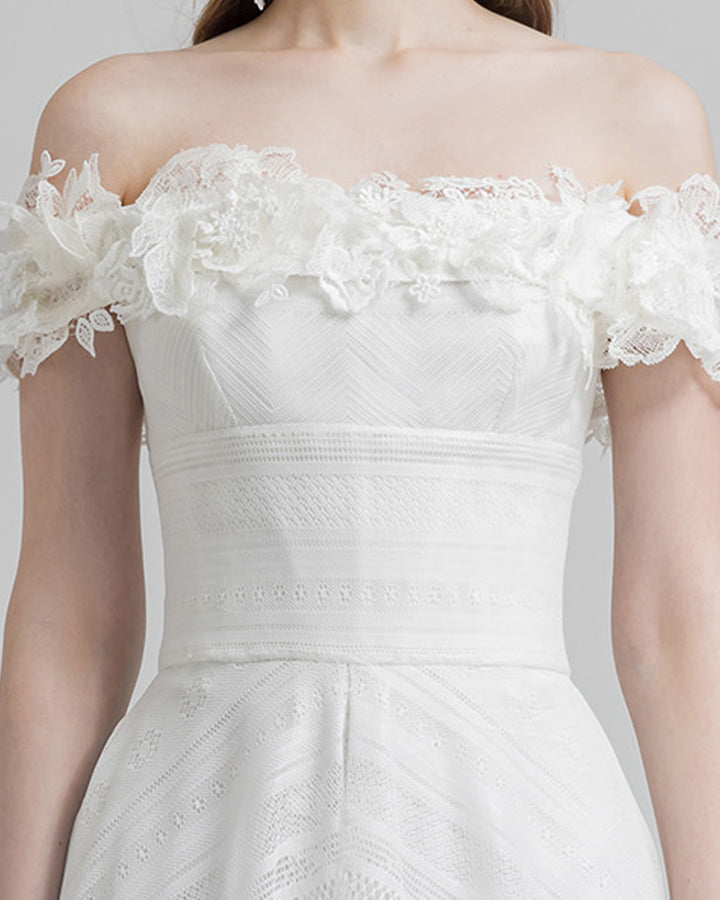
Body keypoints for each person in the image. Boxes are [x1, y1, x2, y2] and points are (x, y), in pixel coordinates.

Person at [1, 0, 719, 896]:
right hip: (198, 823)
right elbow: (71, 608)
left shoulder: (634, 118)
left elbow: (677, 608)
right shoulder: (111, 122)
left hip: (526, 831)